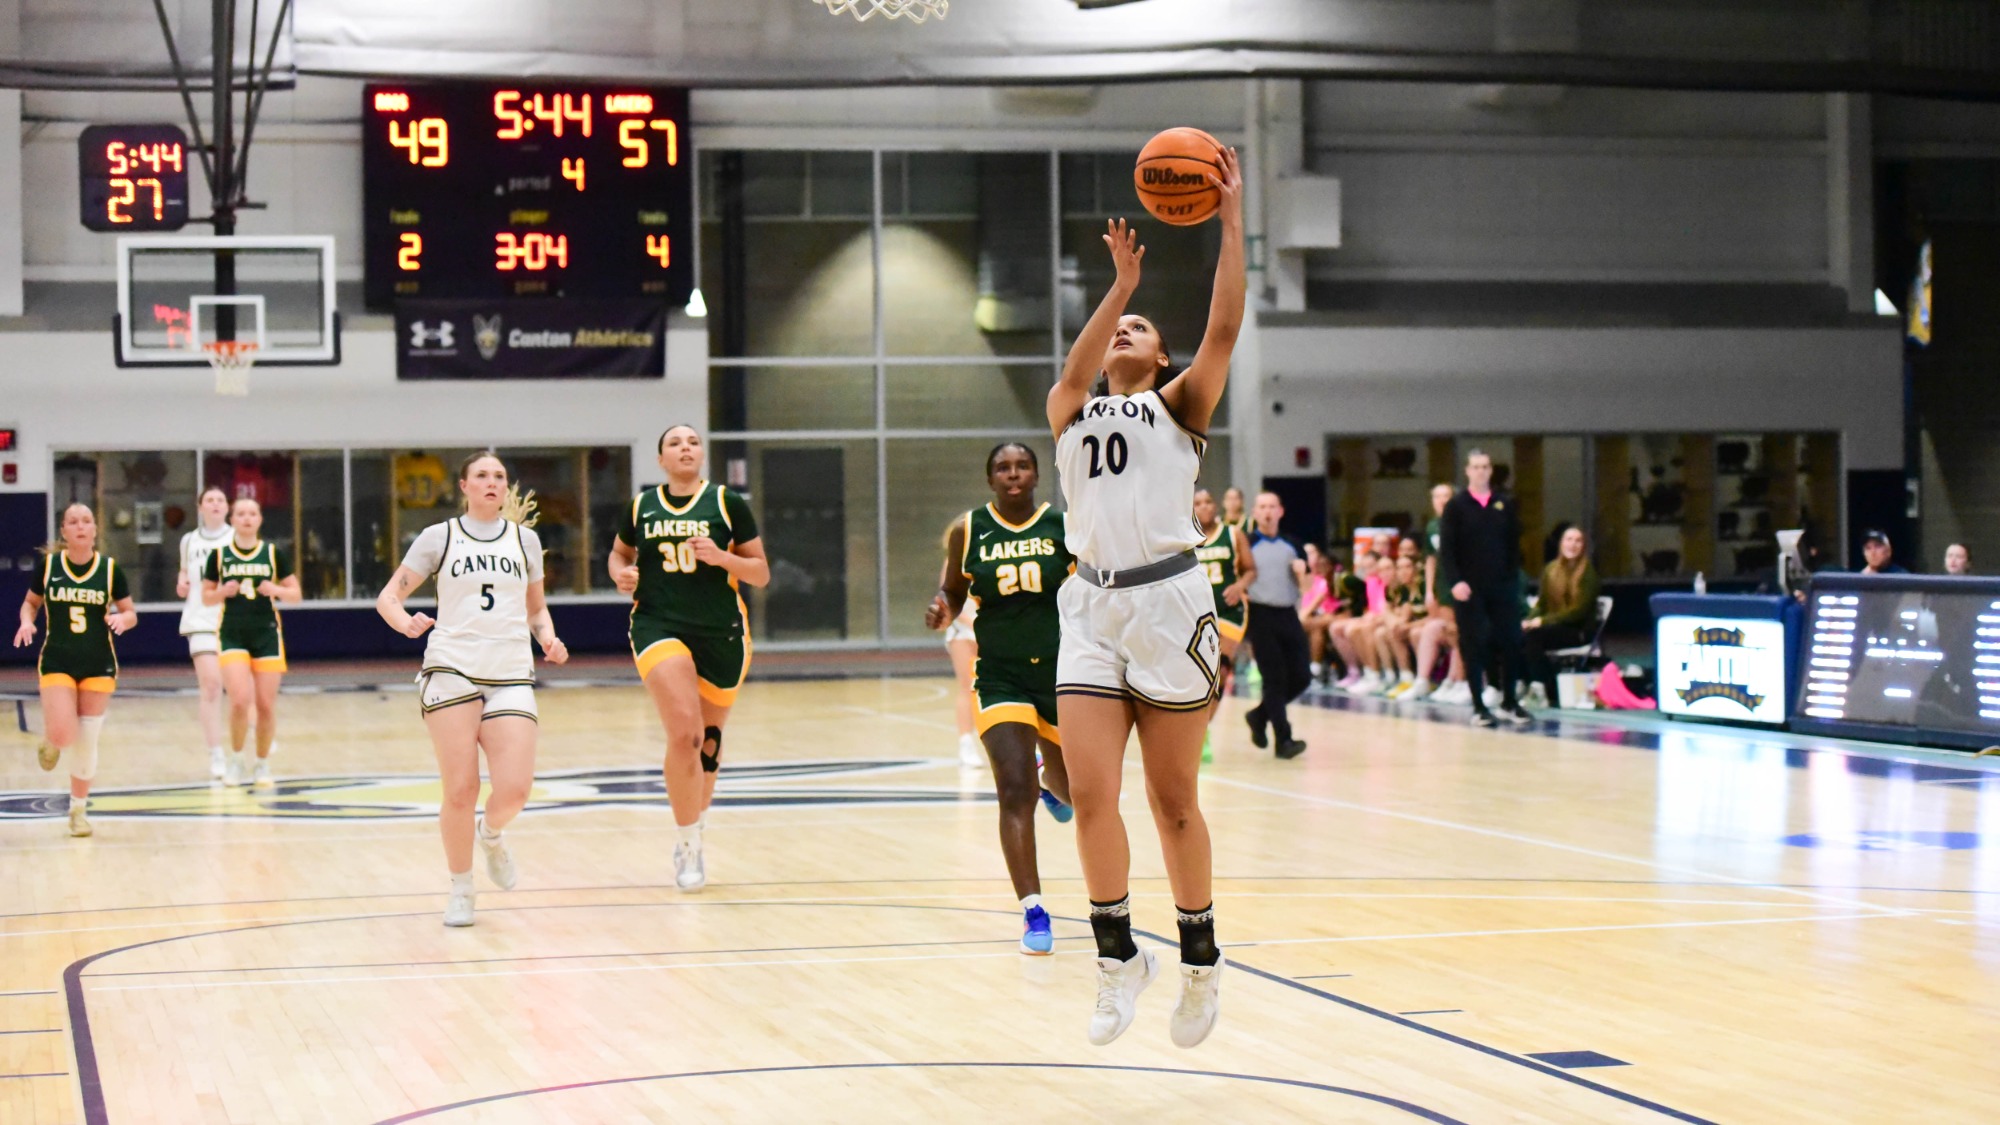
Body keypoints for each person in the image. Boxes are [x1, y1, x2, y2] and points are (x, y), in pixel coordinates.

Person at [1047, 147, 1242, 1049]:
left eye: (1140, 326)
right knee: (1091, 793)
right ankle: (1117, 957)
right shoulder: (1071, 408)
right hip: (1091, 608)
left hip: (1169, 604)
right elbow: (1074, 371)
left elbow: (1225, 326)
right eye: (1118, 326)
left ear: (1163, 355)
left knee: (1173, 801)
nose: (1125, 331)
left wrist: (1230, 220)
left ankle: (1200, 962)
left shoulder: (1180, 405)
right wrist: (1119, 287)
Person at [376, 451, 569, 927]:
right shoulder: (439, 536)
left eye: (498, 476)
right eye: (481, 475)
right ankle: (461, 886)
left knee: (515, 790)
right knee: (461, 788)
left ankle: (492, 833)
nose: (491, 482)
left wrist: (548, 637)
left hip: (510, 670)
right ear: (463, 486)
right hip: (452, 667)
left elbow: (536, 609)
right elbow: (389, 597)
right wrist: (404, 623)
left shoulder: (525, 541)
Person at [926, 442, 1077, 955]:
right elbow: (953, 590)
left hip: (1060, 673)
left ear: (1036, 474)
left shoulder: (1063, 526)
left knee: (1076, 793)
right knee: (1014, 789)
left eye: (1022, 466)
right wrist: (942, 606)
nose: (1013, 474)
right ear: (990, 478)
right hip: (999, 676)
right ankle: (1034, 911)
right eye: (1002, 468)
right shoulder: (969, 530)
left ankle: (1054, 787)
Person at [609, 425, 771, 893]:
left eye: (693, 442)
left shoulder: (727, 503)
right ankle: (687, 845)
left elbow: (760, 573)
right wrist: (622, 575)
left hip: (721, 632)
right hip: (658, 625)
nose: (685, 448)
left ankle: (695, 830)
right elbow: (618, 554)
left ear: (702, 455)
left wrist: (722, 558)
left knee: (708, 744)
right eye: (675, 443)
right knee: (685, 733)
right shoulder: (642, 506)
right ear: (661, 459)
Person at [12, 504, 137, 837]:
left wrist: (122, 620)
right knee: (64, 735)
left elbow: (130, 612)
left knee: (86, 739)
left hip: (98, 663)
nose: (80, 526)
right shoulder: (50, 566)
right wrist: (26, 622)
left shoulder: (109, 570)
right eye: (73, 522)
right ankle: (52, 739)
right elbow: (31, 603)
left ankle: (78, 810)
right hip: (58, 659)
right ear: (64, 531)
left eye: (86, 521)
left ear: (95, 530)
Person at [202, 497, 301, 785]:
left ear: (259, 520)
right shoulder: (219, 556)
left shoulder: (272, 553)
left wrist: (276, 589)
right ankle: (235, 761)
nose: (246, 518)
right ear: (232, 520)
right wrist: (222, 592)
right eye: (241, 513)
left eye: (252, 513)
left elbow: (295, 594)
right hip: (232, 632)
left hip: (266, 633)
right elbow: (206, 597)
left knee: (266, 705)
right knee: (239, 701)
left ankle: (262, 763)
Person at [1438, 449, 1532, 728]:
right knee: (1474, 643)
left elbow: (1514, 545)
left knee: (1511, 641)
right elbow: (1447, 550)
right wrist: (1456, 581)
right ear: (1468, 471)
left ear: (1491, 471)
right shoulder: (1456, 506)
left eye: (1485, 467)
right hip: (1469, 588)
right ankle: (1479, 706)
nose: (1481, 471)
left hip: (1502, 586)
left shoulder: (1504, 503)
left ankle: (1510, 701)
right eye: (1476, 467)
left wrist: (1513, 579)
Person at [1241, 492, 1311, 756]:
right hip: (1260, 614)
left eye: (1272, 506)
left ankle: (1259, 716)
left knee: (1302, 677)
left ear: (1281, 511)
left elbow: (1307, 587)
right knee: (1274, 679)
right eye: (1262, 507)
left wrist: (1302, 573)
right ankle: (1284, 739)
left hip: (1288, 613)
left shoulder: (1293, 544)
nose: (1267, 511)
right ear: (1255, 513)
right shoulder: (1247, 544)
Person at [175, 487, 233, 781]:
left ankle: (251, 742)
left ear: (227, 507)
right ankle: (216, 753)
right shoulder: (189, 541)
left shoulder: (238, 538)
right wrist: (182, 583)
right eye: (209, 500)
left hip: (234, 620)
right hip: (200, 619)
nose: (215, 504)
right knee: (211, 686)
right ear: (200, 508)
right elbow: (183, 575)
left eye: (220, 500)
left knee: (241, 689)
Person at [1192, 488, 1256, 754]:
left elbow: (1251, 570)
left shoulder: (1232, 534)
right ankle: (1194, 728)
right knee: (1197, 676)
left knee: (1221, 668)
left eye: (1208, 501)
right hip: (1196, 614)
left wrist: (1240, 586)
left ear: (1216, 506)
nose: (1204, 506)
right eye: (1198, 503)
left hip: (1229, 612)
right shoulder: (1184, 538)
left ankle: (1205, 730)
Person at [1522, 526, 1601, 708]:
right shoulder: (1550, 569)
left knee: (1535, 636)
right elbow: (1542, 604)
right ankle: (1528, 684)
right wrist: (1529, 620)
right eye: (1569, 539)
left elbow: (1578, 612)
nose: (1573, 544)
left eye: (1578, 541)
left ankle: (1540, 687)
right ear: (1561, 544)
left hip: (1578, 631)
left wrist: (1543, 621)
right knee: (1521, 634)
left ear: (1583, 546)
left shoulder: (1588, 573)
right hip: (1554, 627)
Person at [943, 595, 983, 768]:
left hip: (991, 627)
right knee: (968, 686)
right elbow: (947, 599)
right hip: (963, 630)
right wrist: (971, 622)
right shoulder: (955, 572)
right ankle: (966, 744)